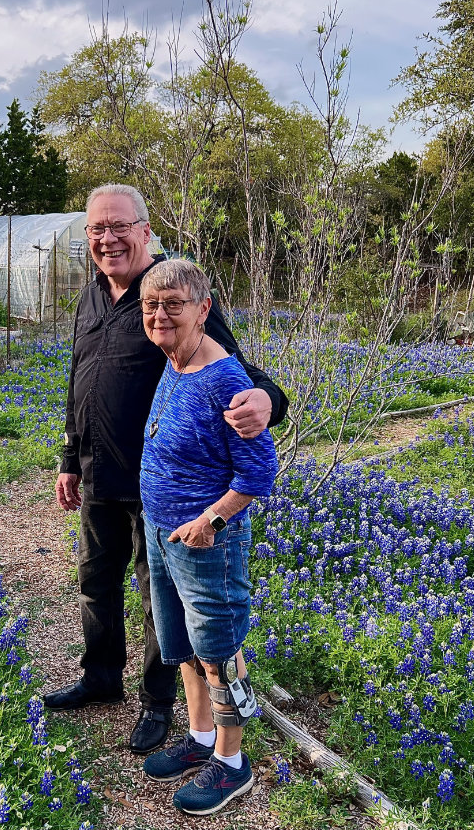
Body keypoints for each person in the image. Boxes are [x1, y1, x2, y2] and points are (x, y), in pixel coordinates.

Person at [44, 183, 287, 755]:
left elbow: (238, 372)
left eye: (119, 226)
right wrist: (69, 457)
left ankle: (158, 705)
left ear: (145, 230)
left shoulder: (175, 294)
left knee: (161, 600)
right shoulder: (91, 297)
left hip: (161, 489)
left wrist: (269, 403)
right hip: (99, 470)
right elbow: (81, 379)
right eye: (97, 230)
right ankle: (101, 679)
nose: (108, 239)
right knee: (96, 580)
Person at [137, 259, 278, 815]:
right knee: (186, 651)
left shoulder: (227, 379)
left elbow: (258, 474)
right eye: (152, 306)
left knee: (220, 653)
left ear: (204, 310)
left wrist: (210, 521)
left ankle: (232, 761)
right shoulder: (175, 363)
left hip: (204, 544)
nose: (161, 315)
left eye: (174, 304)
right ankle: (199, 740)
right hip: (161, 531)